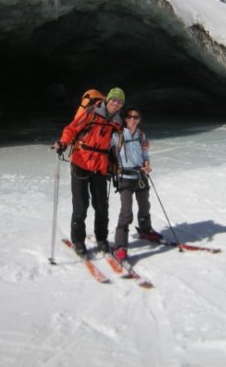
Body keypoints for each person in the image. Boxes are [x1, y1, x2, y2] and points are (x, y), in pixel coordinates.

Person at [53, 87, 125, 256]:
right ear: (108, 100)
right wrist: (63, 143)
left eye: (120, 102)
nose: (116, 104)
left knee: (101, 206)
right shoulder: (91, 112)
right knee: (80, 205)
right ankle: (78, 241)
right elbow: (71, 129)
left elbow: (120, 142)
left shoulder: (117, 121)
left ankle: (101, 239)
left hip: (100, 166)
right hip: (81, 162)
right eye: (114, 100)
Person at [111, 106, 161, 262]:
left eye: (136, 117)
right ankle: (120, 246)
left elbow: (145, 154)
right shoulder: (116, 136)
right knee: (126, 212)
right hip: (125, 176)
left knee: (145, 205)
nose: (133, 119)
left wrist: (147, 165)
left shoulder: (141, 135)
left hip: (140, 175)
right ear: (125, 119)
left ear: (139, 119)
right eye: (130, 117)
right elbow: (105, 149)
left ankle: (145, 230)